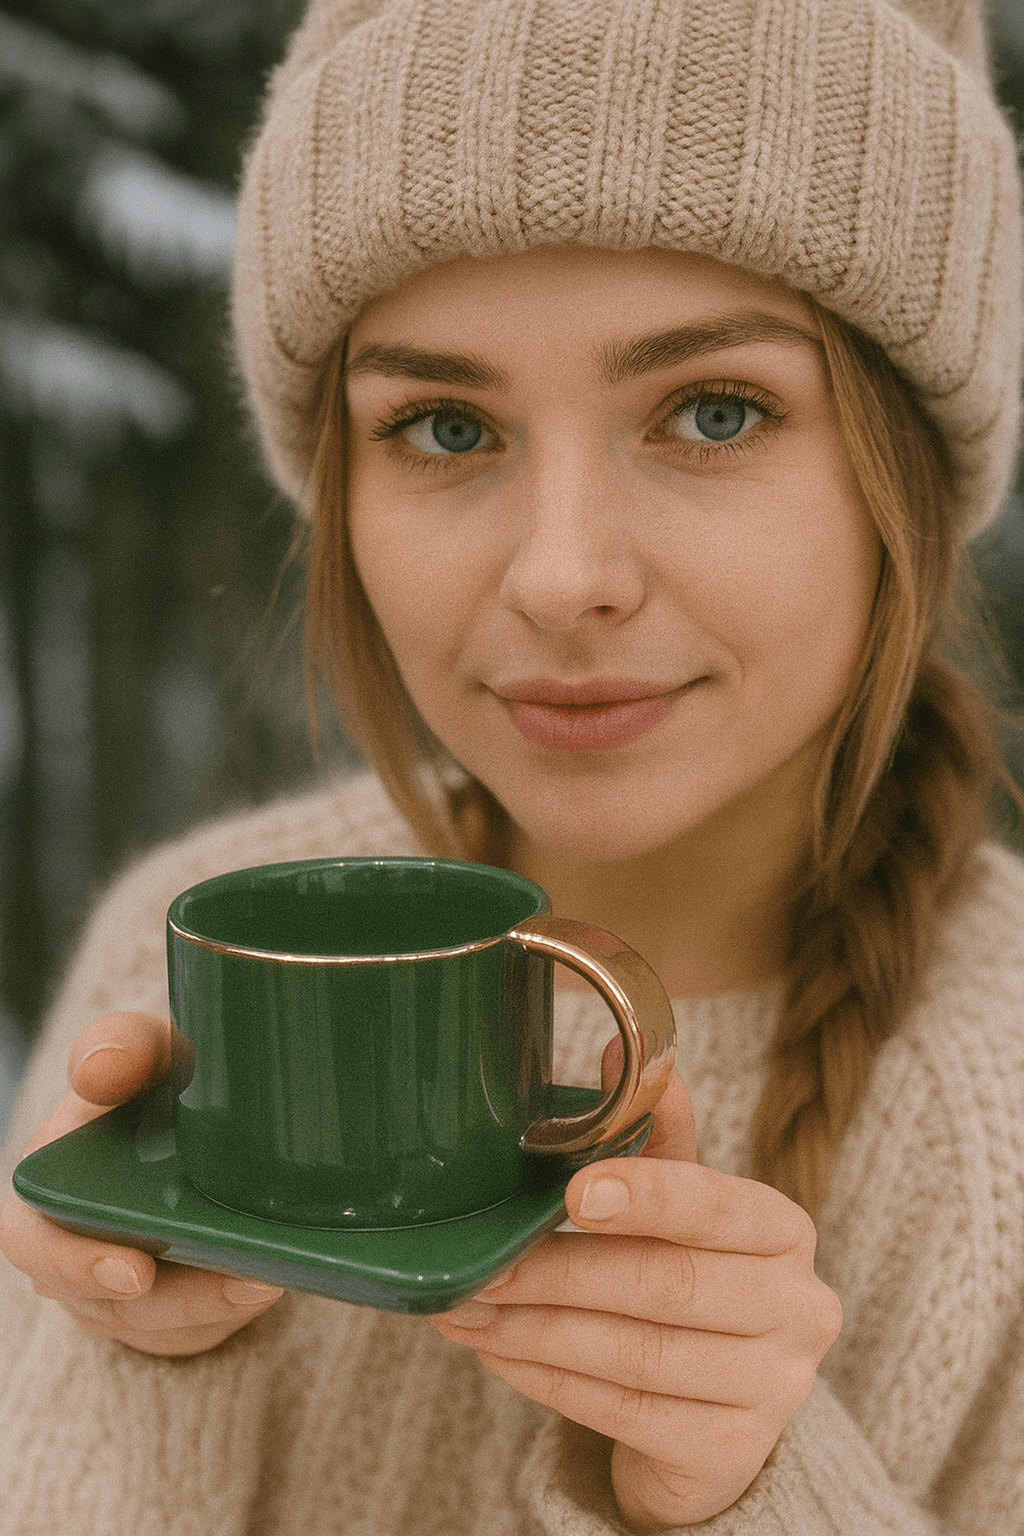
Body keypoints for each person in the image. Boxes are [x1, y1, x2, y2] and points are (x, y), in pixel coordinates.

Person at [2, 0, 1024, 1529]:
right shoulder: (184, 949)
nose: (561, 577)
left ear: (907, 479)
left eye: (715, 409)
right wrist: (145, 1349)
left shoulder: (996, 1112)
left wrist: (748, 1490)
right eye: (443, 425)